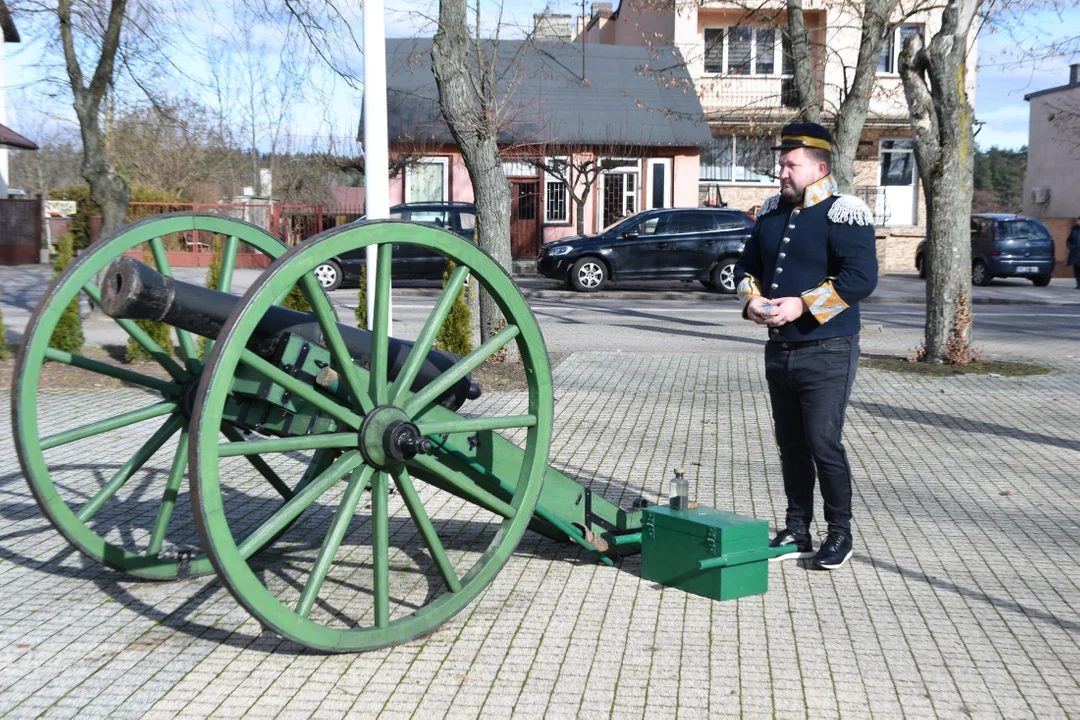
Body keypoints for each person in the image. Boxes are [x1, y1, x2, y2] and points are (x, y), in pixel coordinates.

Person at [733, 122, 878, 570]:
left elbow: (861, 278)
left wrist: (803, 305)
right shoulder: (773, 211)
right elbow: (746, 266)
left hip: (829, 347)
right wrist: (751, 299)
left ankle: (840, 534)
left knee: (823, 442)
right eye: (781, 163)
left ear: (819, 167)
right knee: (790, 444)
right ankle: (798, 530)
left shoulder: (844, 211)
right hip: (780, 349)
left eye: (790, 164)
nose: (782, 172)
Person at [1067, 218, 1080, 290]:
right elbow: (1069, 241)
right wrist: (1072, 247)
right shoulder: (1074, 231)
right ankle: (1078, 283)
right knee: (1077, 270)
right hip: (1076, 253)